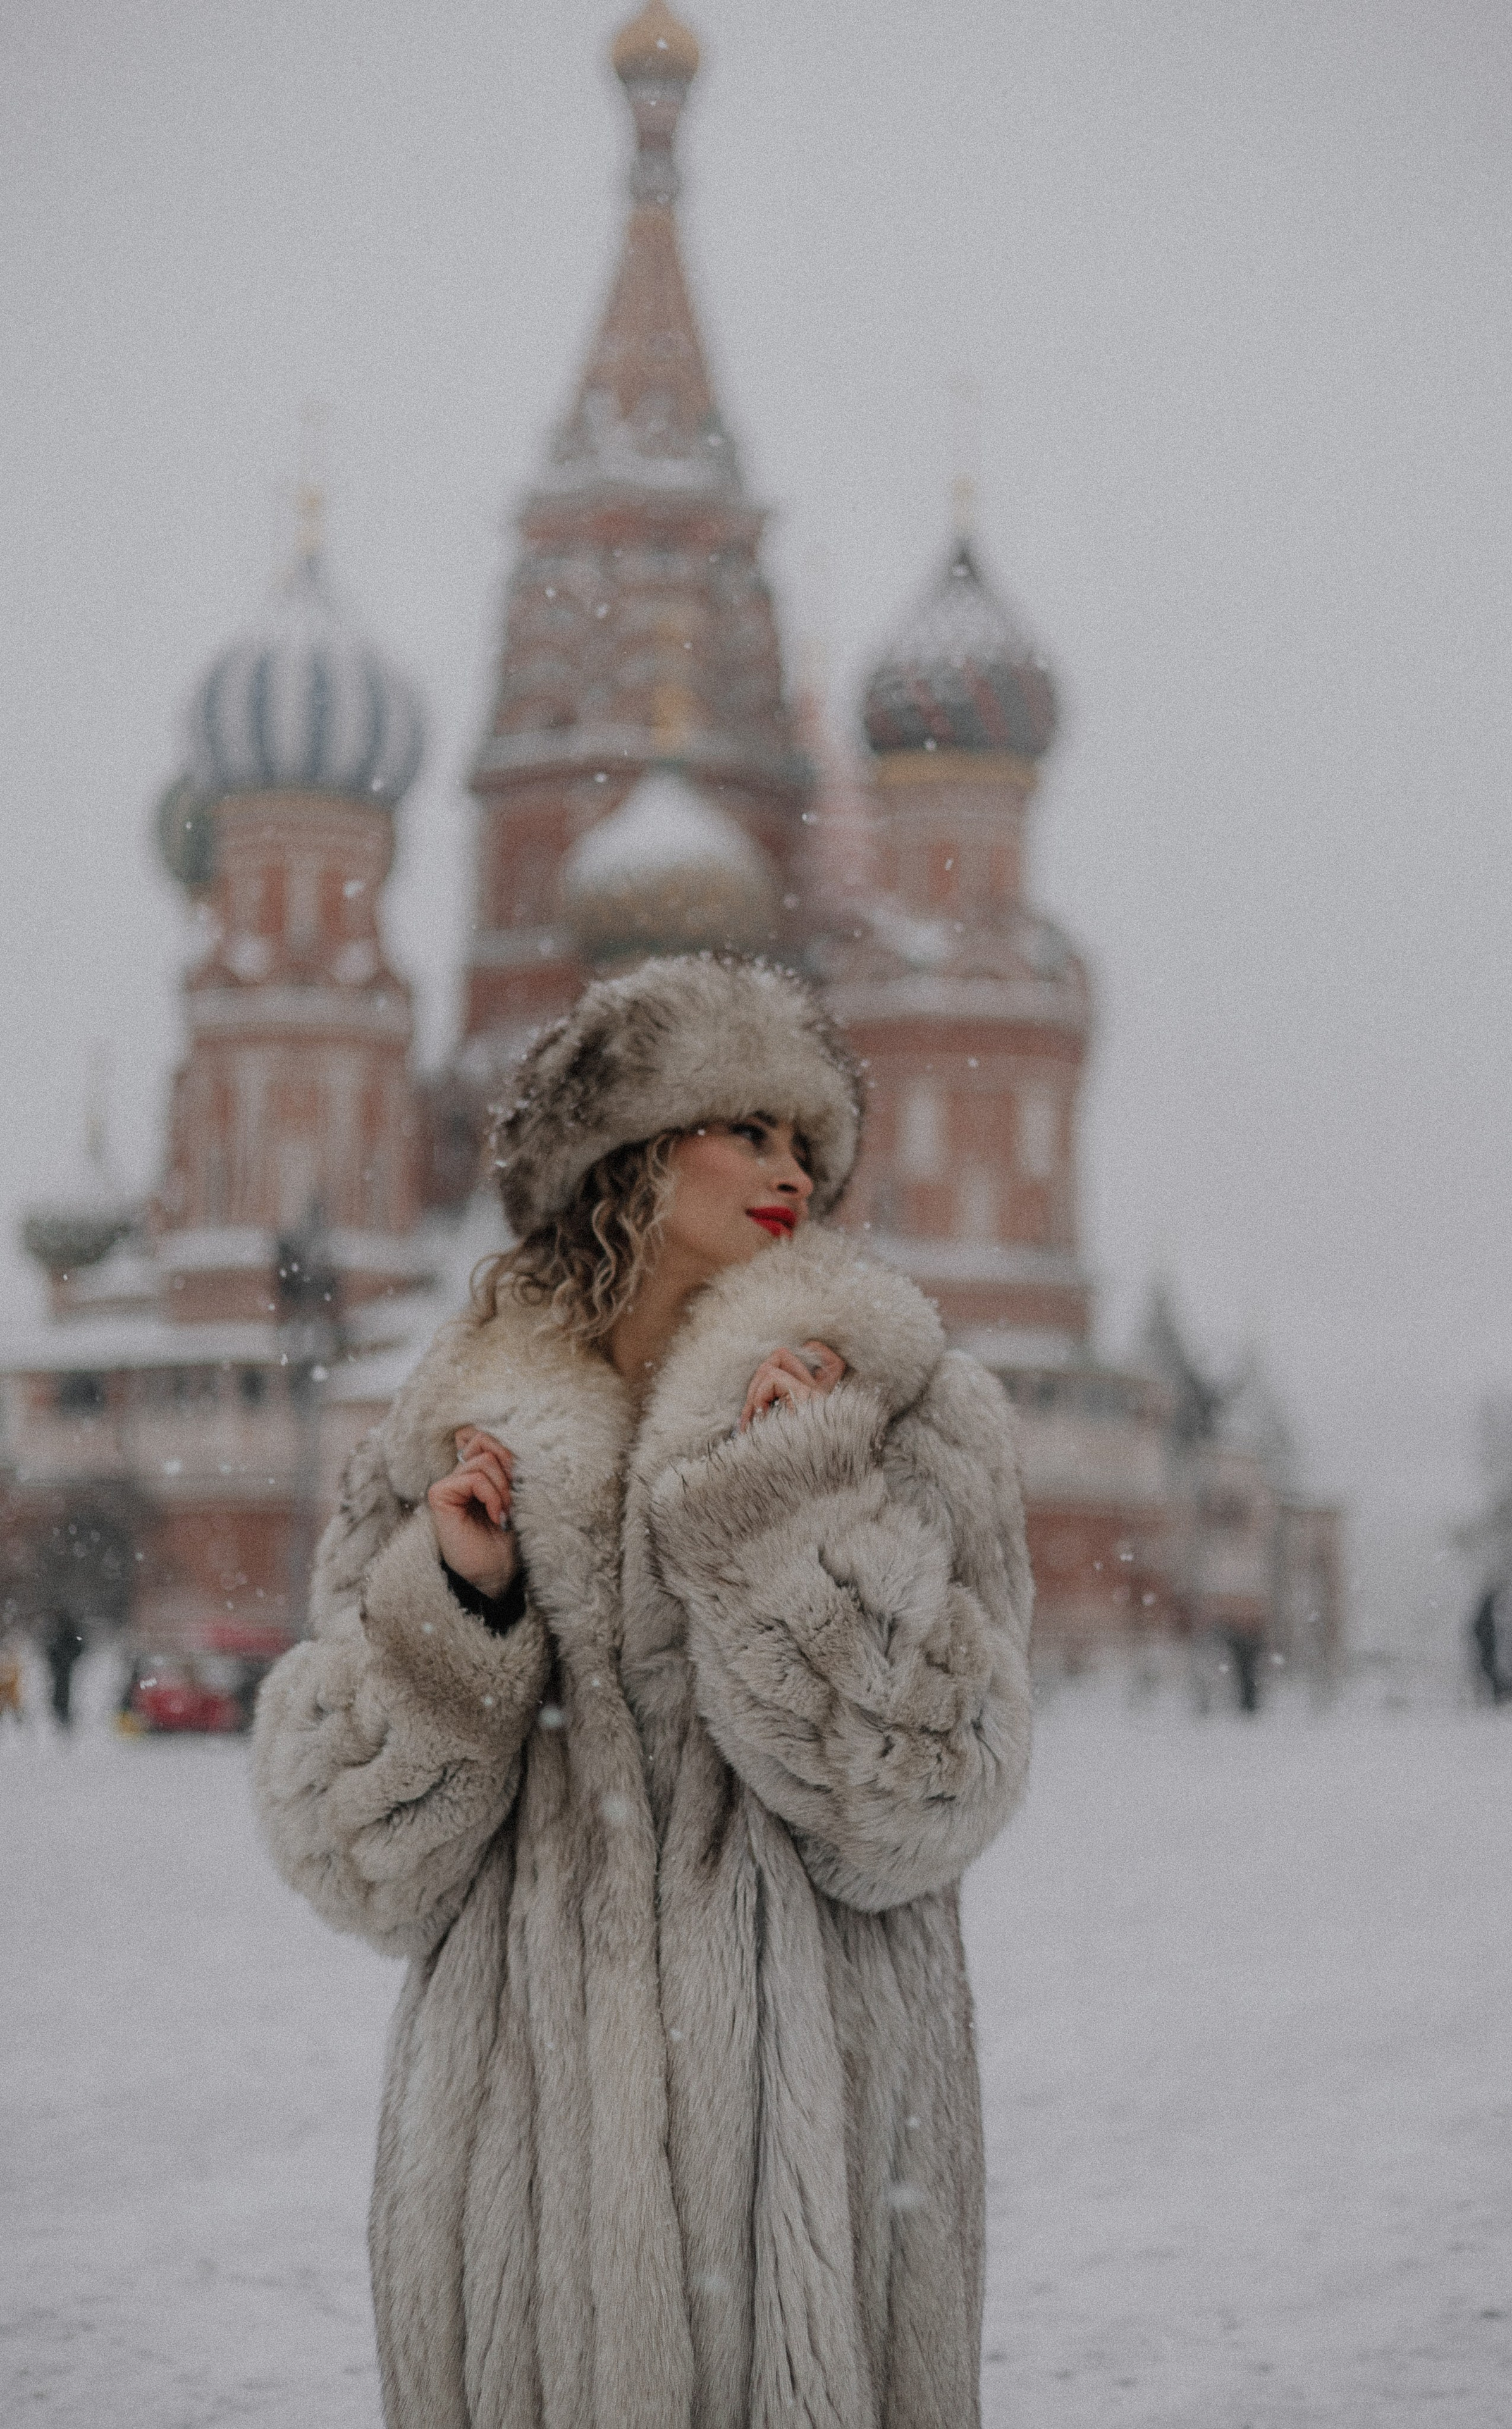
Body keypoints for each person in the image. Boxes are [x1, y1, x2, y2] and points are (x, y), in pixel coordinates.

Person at [253, 956, 1033, 2429]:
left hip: (809, 2158)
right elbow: (357, 1856)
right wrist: (460, 1608)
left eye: (805, 1138)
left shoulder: (902, 1404)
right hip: (520, 2186)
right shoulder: (447, 1427)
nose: (787, 1167)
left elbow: (927, 1793)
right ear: (625, 1155)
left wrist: (785, 1510)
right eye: (743, 1126)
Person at [1470, 1587, 1501, 1703]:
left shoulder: (1485, 1613)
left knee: (1489, 1673)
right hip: (1489, 1650)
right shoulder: (1487, 1614)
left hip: (1488, 1650)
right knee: (1490, 1673)